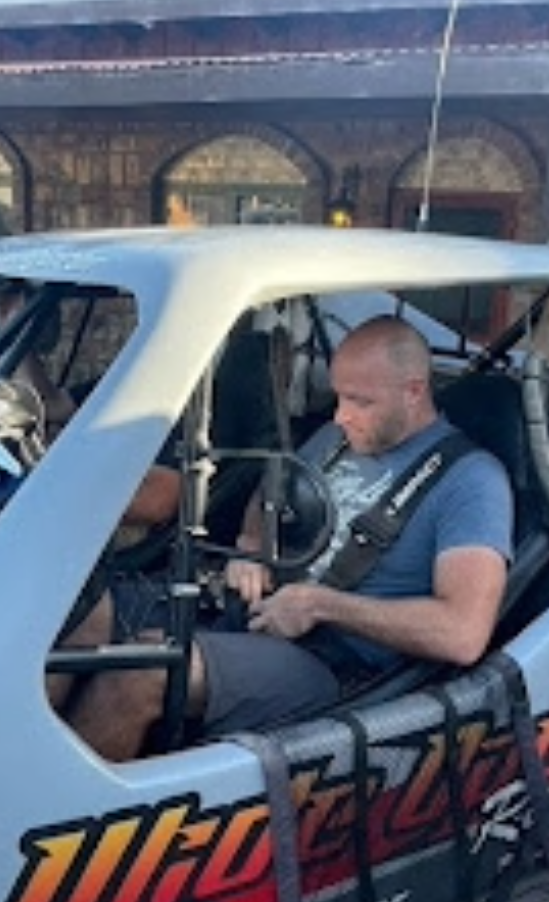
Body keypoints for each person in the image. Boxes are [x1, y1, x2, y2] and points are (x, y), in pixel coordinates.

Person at [68, 315, 513, 761]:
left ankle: (64, 818)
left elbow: (462, 632)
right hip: (262, 610)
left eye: (360, 401)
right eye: (339, 396)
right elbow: (271, 490)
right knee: (84, 610)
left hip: (333, 664)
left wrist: (321, 605)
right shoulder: (336, 437)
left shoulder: (472, 483)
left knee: (141, 670)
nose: (342, 415)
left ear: (414, 392)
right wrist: (253, 549)